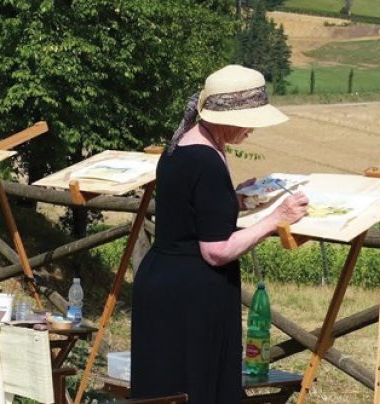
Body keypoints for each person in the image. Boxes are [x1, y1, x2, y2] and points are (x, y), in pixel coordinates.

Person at [130, 65, 309, 403]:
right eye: (249, 120)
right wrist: (274, 218)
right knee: (196, 388)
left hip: (164, 282)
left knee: (165, 388)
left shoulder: (182, 145)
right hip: (191, 295)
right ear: (227, 116)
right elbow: (216, 250)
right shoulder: (206, 161)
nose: (252, 130)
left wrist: (235, 200)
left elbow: (191, 212)